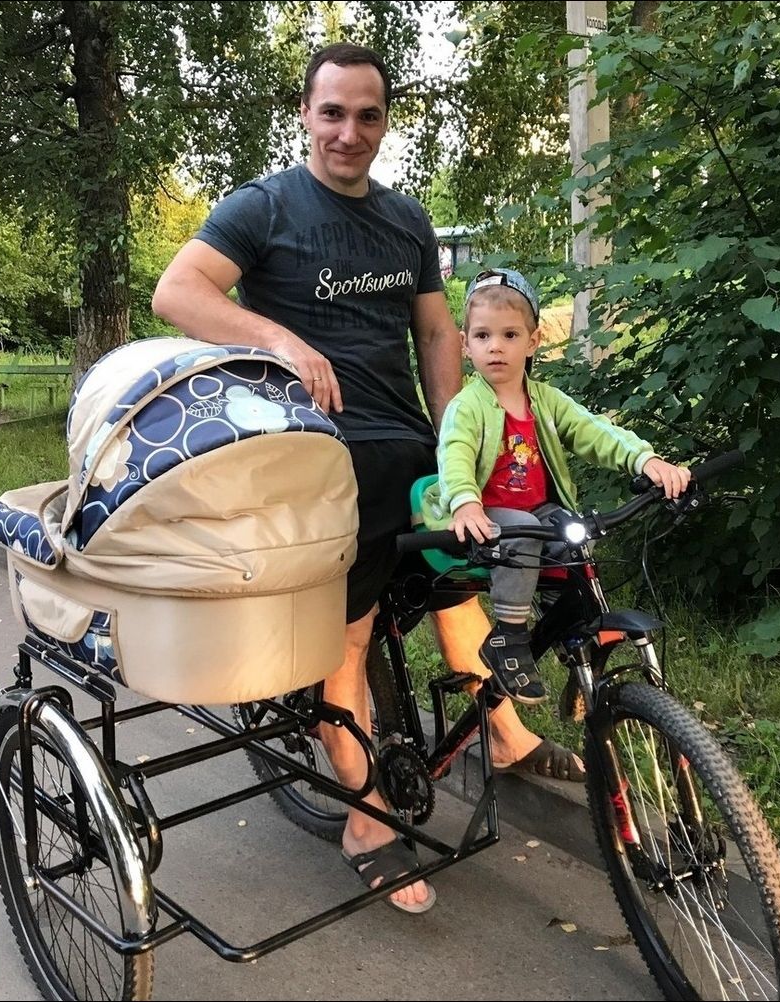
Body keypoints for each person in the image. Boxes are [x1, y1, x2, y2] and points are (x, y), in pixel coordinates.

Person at [151, 42, 585, 915]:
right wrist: (280, 339)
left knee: (460, 580)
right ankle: (362, 820)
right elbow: (178, 293)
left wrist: (459, 442)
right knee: (344, 641)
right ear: (306, 116)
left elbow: (435, 333)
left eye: (367, 115)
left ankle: (502, 733)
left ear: (385, 122)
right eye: (333, 113)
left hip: (405, 447)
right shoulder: (264, 205)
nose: (349, 132)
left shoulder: (406, 219)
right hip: (320, 456)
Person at [423, 268, 691, 704]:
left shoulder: (545, 400)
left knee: (574, 533)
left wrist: (646, 459)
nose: (495, 346)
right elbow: (453, 455)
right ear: (464, 344)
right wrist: (465, 502)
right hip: (488, 516)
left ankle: (568, 627)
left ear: (533, 341)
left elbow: (594, 431)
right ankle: (508, 635)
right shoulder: (466, 407)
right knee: (522, 533)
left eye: (510, 335)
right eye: (483, 336)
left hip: (537, 510)